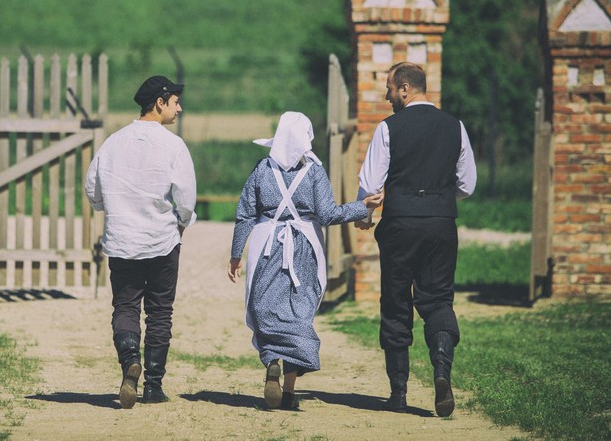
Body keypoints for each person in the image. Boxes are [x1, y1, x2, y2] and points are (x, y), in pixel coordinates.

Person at [228, 112, 382, 410]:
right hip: (305, 250)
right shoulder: (314, 172)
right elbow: (327, 215)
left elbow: (245, 213)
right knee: (299, 313)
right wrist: (361, 207)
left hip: (266, 246)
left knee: (265, 308)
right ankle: (288, 391)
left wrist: (236, 255)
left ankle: (272, 360)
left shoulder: (261, 168)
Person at [355, 61, 477, 417]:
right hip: (441, 224)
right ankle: (442, 371)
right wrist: (438, 197)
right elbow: (467, 185)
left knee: (396, 303)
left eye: (390, 89)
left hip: (401, 224)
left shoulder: (388, 128)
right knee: (438, 300)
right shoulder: (455, 125)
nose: (387, 96)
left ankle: (398, 394)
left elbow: (371, 183)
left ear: (405, 89)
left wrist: (364, 216)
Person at [84, 75, 197, 408]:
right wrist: (181, 222)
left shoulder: (113, 142)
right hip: (162, 240)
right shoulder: (173, 145)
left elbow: (92, 189)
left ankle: (130, 359)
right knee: (160, 312)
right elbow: (186, 198)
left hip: (122, 240)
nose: (179, 108)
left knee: (126, 306)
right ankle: (153, 387)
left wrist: (107, 205)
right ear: (159, 103)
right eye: (175, 101)